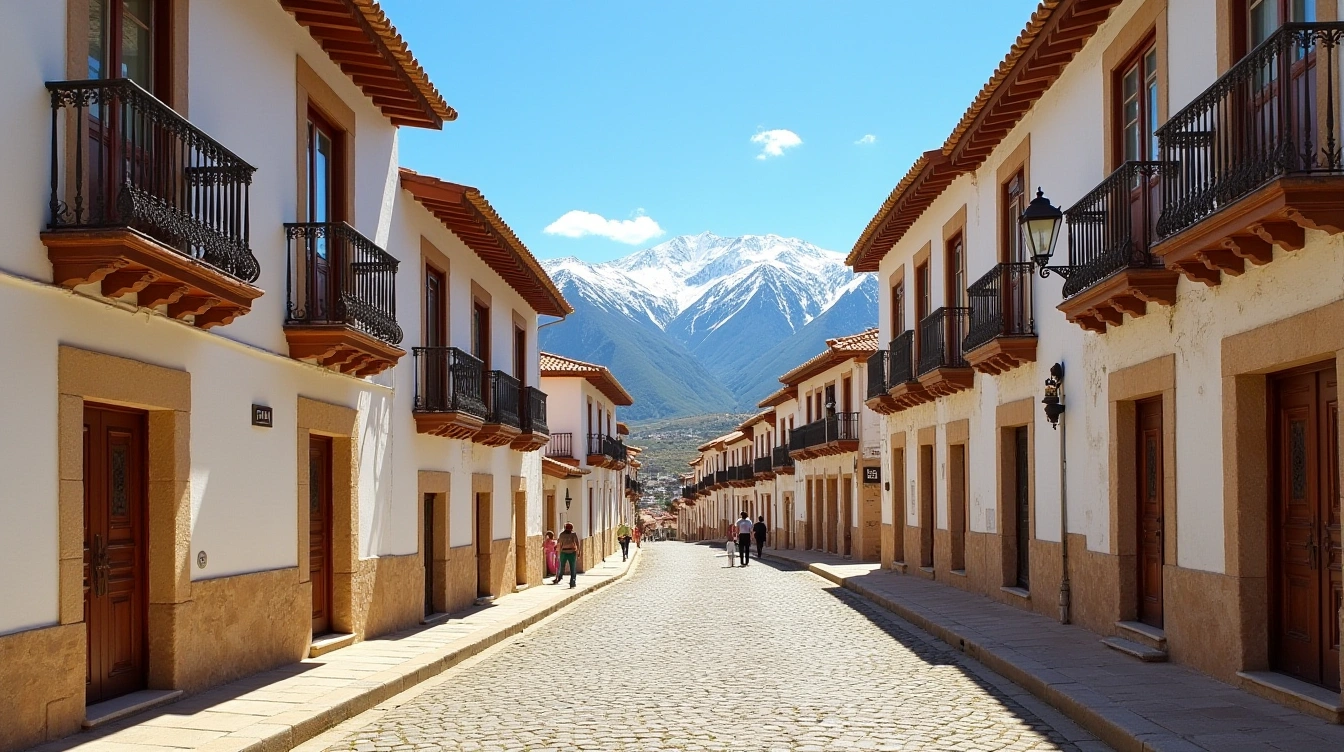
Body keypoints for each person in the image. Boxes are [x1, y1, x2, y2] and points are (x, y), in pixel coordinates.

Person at [554, 523, 580, 588]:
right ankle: (572, 581)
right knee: (573, 568)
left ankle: (559, 577)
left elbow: (559, 544)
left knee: (562, 566)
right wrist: (578, 552)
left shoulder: (561, 535)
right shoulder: (573, 534)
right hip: (572, 552)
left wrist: (558, 552)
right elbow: (577, 543)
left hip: (564, 552)